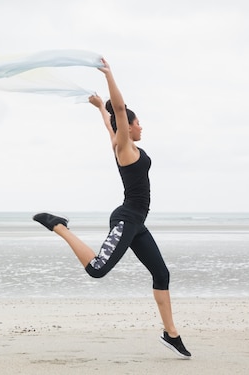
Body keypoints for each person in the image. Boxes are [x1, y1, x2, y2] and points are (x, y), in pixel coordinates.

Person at [32, 58, 191, 359]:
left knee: (161, 273)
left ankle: (171, 335)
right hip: (126, 219)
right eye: (137, 121)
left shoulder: (123, 144)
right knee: (97, 270)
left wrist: (98, 110)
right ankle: (59, 225)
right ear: (128, 127)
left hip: (137, 223)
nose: (141, 125)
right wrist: (109, 76)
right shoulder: (125, 148)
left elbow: (112, 123)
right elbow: (118, 113)